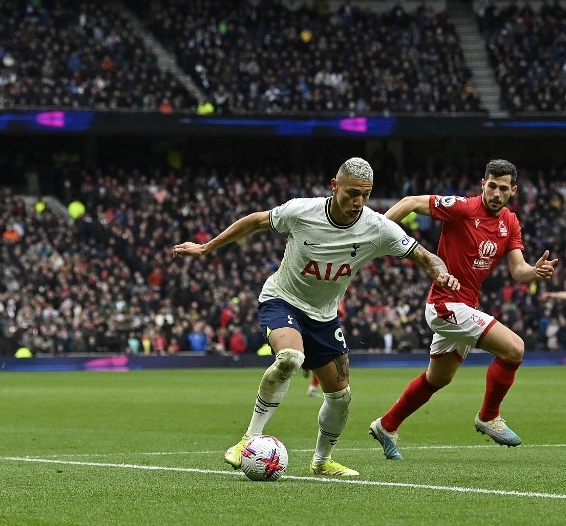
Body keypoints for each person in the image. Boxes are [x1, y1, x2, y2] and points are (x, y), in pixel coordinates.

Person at [172, 157, 459, 477]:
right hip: (282, 301)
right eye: (352, 193)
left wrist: (442, 272)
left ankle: (322, 461)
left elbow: (423, 256)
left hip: (324, 317)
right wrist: (206, 248)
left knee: (341, 396)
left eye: (365, 194)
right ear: (334, 186)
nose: (358, 202)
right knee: (290, 358)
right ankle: (248, 440)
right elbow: (255, 221)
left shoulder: (376, 227)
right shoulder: (302, 211)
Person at [368, 159, 558, 460]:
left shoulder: (510, 222)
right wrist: (376, 230)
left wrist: (536, 272)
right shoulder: (462, 207)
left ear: (513, 191)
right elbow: (410, 202)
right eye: (491, 186)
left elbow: (518, 269)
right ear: (483, 184)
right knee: (514, 349)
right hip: (445, 305)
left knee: (438, 378)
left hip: (464, 307)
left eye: (503, 188)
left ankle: (386, 425)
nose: (496, 193)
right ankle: (489, 416)